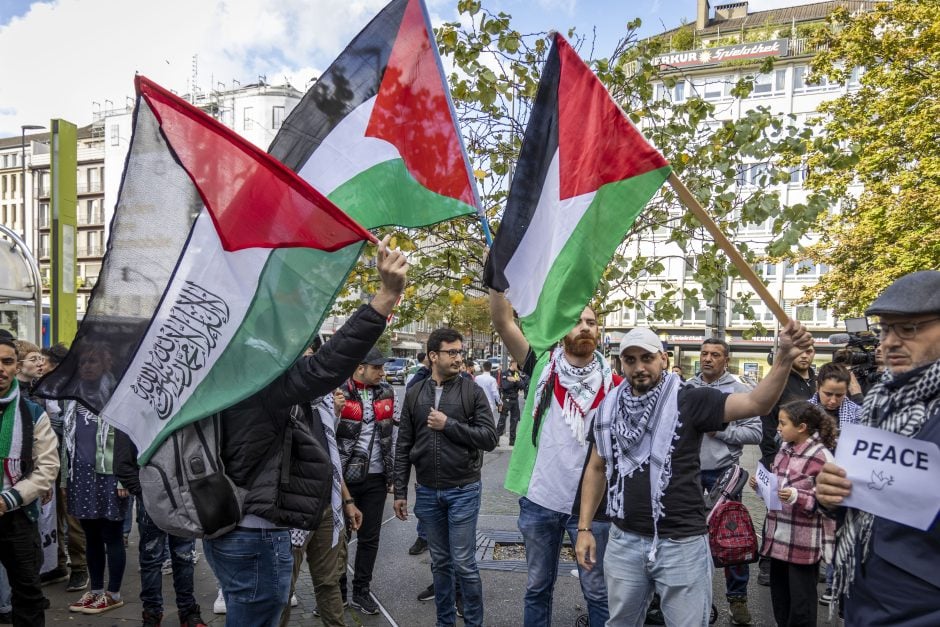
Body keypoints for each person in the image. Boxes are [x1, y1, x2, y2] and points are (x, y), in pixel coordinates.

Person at [203, 236, 407, 626]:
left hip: (227, 521)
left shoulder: (219, 362)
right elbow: (325, 367)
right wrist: (385, 297)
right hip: (255, 531)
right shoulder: (256, 370)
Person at [575, 321, 813, 626]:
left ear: (663, 359)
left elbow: (757, 402)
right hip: (625, 540)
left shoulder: (690, 399)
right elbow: (597, 468)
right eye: (630, 359)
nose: (639, 367)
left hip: (682, 545)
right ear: (622, 363)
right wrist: (584, 530)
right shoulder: (608, 408)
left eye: (646, 358)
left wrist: (783, 357)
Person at [816, 271, 940, 626]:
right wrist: (832, 496)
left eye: (909, 329)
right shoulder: (880, 402)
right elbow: (869, 501)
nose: (890, 342)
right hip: (864, 596)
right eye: (885, 329)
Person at [490, 291, 619, 627]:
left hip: (594, 507)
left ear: (599, 332)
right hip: (541, 500)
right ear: (562, 332)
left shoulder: (615, 385)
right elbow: (503, 322)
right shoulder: (541, 369)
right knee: (537, 587)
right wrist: (497, 281)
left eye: (591, 322)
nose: (585, 327)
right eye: (576, 322)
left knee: (597, 591)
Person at [393, 328, 498, 627]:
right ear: (433, 356)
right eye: (451, 352)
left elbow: (489, 438)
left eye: (460, 352)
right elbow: (403, 446)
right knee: (440, 564)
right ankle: (445, 622)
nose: (458, 357)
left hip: (463, 489)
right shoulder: (415, 393)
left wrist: (448, 424)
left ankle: (473, 622)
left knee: (464, 564)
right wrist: (400, 491)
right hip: (427, 492)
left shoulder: (472, 391)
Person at [685, 338, 761, 625]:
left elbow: (755, 433)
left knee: (732, 539)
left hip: (723, 474)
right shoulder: (687, 388)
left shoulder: (738, 390)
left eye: (715, 354)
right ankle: (690, 595)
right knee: (687, 538)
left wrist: (722, 433)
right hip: (688, 473)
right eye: (704, 353)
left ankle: (737, 598)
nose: (708, 359)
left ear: (725, 359)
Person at [280, 388, 363, 627]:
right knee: (282, 590)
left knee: (329, 582)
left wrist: (347, 500)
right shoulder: (281, 402)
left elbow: (331, 458)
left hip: (327, 507)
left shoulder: (324, 404)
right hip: (292, 512)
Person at [752, 401, 836, 626]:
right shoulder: (783, 451)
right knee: (780, 601)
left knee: (801, 607)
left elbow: (831, 503)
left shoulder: (822, 457)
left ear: (802, 427)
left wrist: (797, 496)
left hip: (803, 544)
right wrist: (761, 487)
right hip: (778, 539)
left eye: (783, 423)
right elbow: (777, 492)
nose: (778, 428)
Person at [62, 344, 130, 615]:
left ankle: (113, 593)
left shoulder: (118, 395)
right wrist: (65, 480)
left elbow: (129, 439)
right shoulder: (72, 397)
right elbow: (66, 442)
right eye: (83, 363)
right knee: (90, 534)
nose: (87, 367)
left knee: (111, 534)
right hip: (81, 476)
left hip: (110, 476)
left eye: (93, 361)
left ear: (105, 364)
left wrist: (124, 479)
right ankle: (96, 590)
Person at [114, 432, 206, 627]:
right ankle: (153, 613)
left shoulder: (178, 409)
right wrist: (145, 493)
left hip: (181, 497)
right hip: (152, 498)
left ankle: (187, 611)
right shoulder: (135, 412)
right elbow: (122, 464)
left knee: (184, 556)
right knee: (152, 557)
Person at [0, 334, 60, 626]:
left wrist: (9, 497)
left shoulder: (32, 412)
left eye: (7, 361)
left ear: (15, 367)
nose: (0, 368)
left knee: (28, 593)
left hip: (18, 516)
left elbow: (47, 466)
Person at [335, 347, 396, 615]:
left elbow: (390, 436)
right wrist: (335, 412)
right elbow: (327, 436)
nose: (382, 373)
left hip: (376, 478)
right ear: (360, 367)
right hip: (343, 480)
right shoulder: (338, 393)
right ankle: (337, 594)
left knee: (370, 538)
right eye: (377, 368)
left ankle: (362, 590)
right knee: (339, 540)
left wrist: (394, 476)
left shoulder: (387, 392)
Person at [757, 344, 816, 585]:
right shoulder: (779, 380)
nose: (805, 355)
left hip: (808, 458)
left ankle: (807, 558)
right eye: (800, 350)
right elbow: (768, 421)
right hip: (778, 456)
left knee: (804, 507)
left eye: (809, 350)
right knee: (775, 509)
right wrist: (772, 457)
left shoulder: (817, 381)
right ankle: (768, 563)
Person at [39, 343, 89, 593]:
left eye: (45, 363)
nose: (40, 366)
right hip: (46, 459)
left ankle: (79, 567)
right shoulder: (42, 390)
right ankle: (57, 563)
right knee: (51, 514)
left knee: (72, 514)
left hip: (69, 459)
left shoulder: (73, 390)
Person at [810, 362, 861, 431]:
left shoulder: (857, 413)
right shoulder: (803, 410)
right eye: (828, 394)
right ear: (817, 387)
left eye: (839, 395)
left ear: (846, 391)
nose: (833, 401)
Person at [497, 358, 525, 446]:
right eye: (517, 364)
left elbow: (522, 385)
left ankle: (512, 440)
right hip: (507, 399)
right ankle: (496, 439)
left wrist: (514, 379)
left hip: (515, 400)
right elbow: (505, 386)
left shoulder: (517, 374)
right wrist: (514, 381)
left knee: (515, 420)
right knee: (502, 419)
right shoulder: (505, 374)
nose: (519, 366)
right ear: (512, 364)